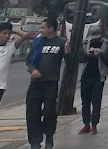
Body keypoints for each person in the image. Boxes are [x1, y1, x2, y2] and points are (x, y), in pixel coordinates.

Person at [25, 18, 67, 149]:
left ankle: (49, 136)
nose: (41, 30)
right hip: (36, 83)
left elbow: (70, 61)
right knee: (32, 114)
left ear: (51, 28)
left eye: (43, 27)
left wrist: (68, 53)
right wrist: (33, 70)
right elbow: (28, 61)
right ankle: (35, 142)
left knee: (49, 112)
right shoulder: (38, 42)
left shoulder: (61, 42)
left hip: (50, 84)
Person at [77, 25, 108, 135]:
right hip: (86, 75)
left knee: (96, 101)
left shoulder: (107, 44)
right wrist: (87, 55)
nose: (94, 40)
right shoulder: (85, 43)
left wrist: (100, 54)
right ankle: (86, 124)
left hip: (99, 76)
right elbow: (80, 58)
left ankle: (94, 125)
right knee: (85, 102)